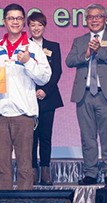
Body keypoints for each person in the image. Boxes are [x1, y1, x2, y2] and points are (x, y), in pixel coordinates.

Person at [0, 4, 51, 190]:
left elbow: (45, 77)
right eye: (11, 18)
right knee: (1, 169)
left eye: (19, 18)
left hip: (24, 116)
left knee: (25, 168)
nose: (15, 22)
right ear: (4, 21)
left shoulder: (33, 48)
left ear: (23, 22)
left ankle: (25, 200)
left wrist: (28, 62)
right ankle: (3, 200)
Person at [65, 4, 107, 185]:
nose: (94, 20)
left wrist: (99, 51)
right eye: (90, 17)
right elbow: (69, 61)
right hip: (83, 95)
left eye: (98, 16)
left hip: (106, 94)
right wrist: (86, 54)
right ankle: (90, 173)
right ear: (86, 20)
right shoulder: (79, 40)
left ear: (105, 19)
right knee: (87, 137)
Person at [27, 12, 63, 186]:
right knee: (31, 138)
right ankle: (32, 171)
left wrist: (45, 91)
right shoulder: (23, 46)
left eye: (39, 25)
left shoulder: (53, 46)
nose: (36, 28)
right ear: (28, 27)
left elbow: (57, 72)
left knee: (46, 136)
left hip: (48, 98)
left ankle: (45, 171)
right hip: (28, 98)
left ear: (44, 26)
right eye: (33, 25)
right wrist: (34, 91)